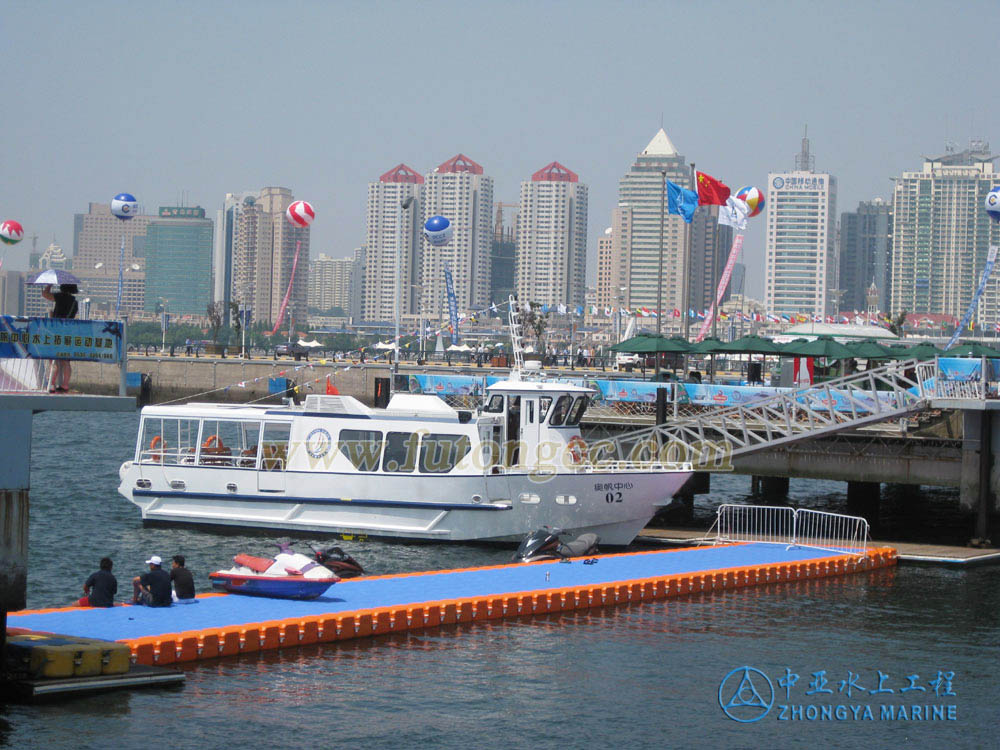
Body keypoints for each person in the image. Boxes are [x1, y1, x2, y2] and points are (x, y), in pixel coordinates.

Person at [41, 283, 78, 393]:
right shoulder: (74, 302)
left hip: (56, 332)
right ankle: (65, 385)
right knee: (66, 361)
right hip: (67, 333)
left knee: (53, 359)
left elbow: (45, 294)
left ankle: (51, 384)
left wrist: (48, 285)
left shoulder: (61, 297)